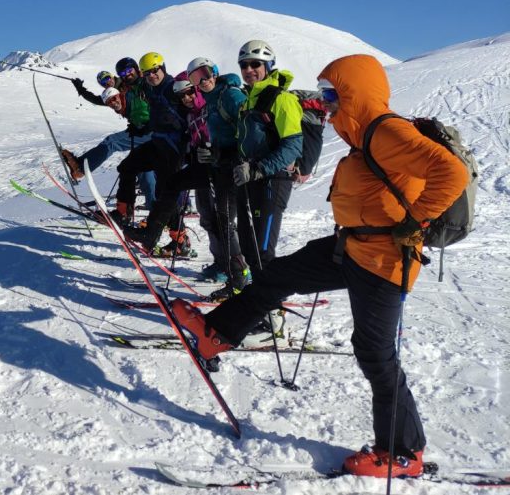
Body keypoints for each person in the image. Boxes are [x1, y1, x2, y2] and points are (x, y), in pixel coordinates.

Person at [169, 53, 469, 478]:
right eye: (325, 94)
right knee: (278, 275)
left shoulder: (387, 130)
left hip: (383, 260)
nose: (326, 103)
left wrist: (415, 221)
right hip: (351, 246)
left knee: (376, 354)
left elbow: (450, 172)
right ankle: (217, 333)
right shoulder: (363, 133)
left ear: (354, 93)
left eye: (332, 94)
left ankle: (402, 453)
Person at [232, 39, 303, 277]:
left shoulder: (282, 99)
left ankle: (272, 307)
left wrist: (259, 169)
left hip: (273, 179)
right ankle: (257, 298)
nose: (249, 70)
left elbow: (293, 145)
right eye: (244, 65)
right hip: (250, 178)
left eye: (255, 64)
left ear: (268, 65)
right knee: (249, 247)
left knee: (263, 249)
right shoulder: (248, 100)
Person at [186, 57, 251, 296]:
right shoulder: (211, 102)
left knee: (229, 221)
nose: (202, 81)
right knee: (223, 220)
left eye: (205, 74)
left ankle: (241, 275)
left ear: (215, 72)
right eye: (195, 79)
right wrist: (212, 153)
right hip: (223, 165)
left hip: (237, 166)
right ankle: (237, 272)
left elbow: (248, 130)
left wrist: (237, 156)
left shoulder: (231, 96)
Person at [111, 52, 188, 249]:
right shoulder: (150, 89)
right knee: (127, 166)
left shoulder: (173, 88)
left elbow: (188, 110)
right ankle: (123, 212)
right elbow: (157, 118)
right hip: (157, 144)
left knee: (166, 194)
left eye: (155, 70)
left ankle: (179, 240)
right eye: (147, 73)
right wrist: (141, 128)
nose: (151, 75)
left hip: (173, 150)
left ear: (162, 68)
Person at [61, 59, 156, 208]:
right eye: (103, 82)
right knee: (144, 168)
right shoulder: (119, 90)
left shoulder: (141, 84)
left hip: (151, 130)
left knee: (113, 142)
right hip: (141, 130)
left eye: (107, 78)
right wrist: (82, 90)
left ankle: (80, 168)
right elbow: (98, 100)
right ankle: (155, 207)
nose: (107, 82)